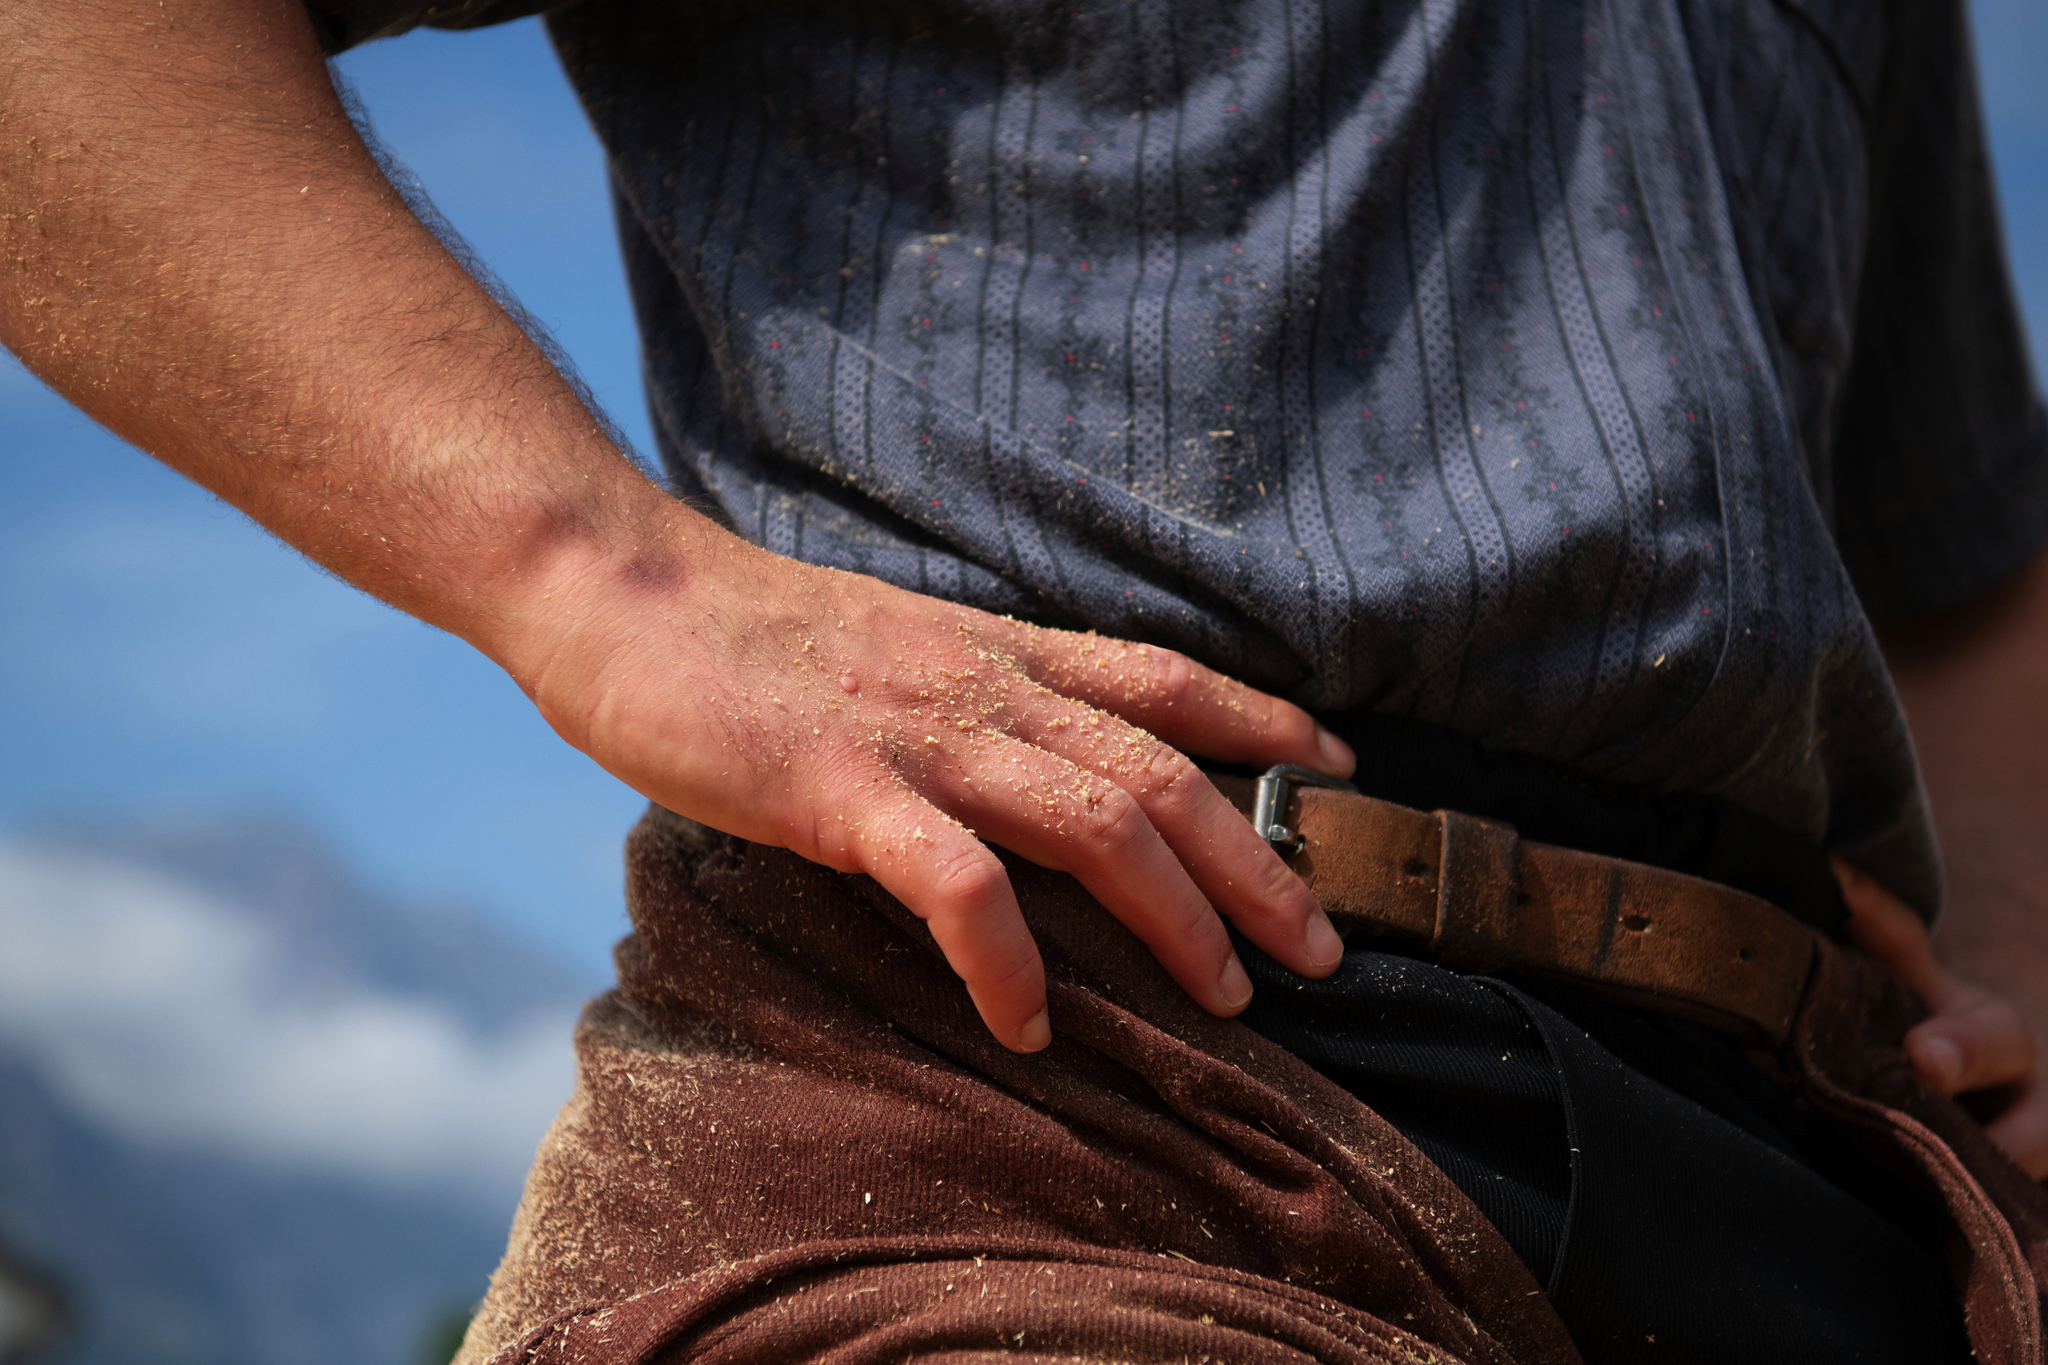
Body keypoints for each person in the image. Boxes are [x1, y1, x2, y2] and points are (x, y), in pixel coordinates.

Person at [5, 0, 2047, 1360]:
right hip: (1039, 1089)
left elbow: (1954, 544)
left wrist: (2023, 975)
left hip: (1821, 1147)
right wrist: (597, 577)